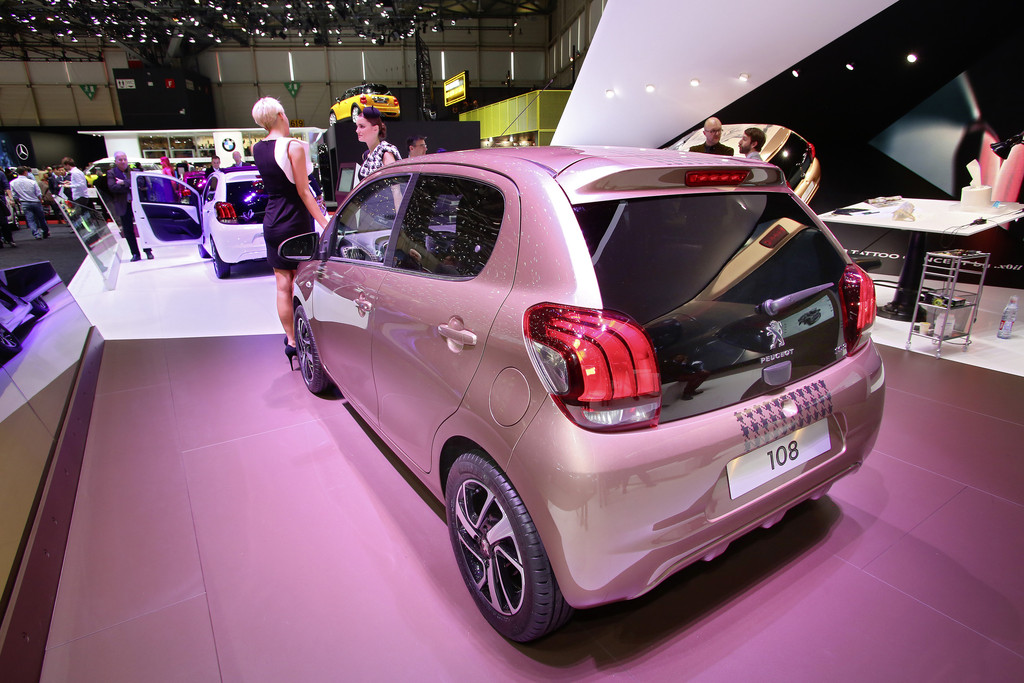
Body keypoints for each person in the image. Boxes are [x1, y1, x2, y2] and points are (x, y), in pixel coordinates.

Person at [250, 96, 330, 367]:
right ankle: (313, 336)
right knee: (303, 282)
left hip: (272, 221)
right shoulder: (294, 147)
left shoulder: (257, 148)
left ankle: (292, 341)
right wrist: (325, 223)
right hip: (295, 222)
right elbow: (304, 192)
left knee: (282, 283)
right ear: (281, 115)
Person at [107, 150, 152, 262]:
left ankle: (148, 251)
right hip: (123, 204)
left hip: (137, 204)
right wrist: (130, 184)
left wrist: (123, 182)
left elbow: (140, 182)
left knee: (143, 227)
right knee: (128, 230)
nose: (123, 162)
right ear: (116, 161)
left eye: (125, 159)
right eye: (120, 160)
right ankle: (135, 253)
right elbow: (113, 187)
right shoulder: (111, 173)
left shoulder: (134, 171)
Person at [356, 106, 401, 182]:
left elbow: (396, 186)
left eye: (362, 126)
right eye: (357, 126)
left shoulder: (386, 154)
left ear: (375, 129)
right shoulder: (366, 155)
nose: (357, 130)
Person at [11, 166, 48, 239]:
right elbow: (38, 193)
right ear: (25, 172)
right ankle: (45, 231)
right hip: (36, 202)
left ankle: (36, 234)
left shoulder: (12, 183)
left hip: (24, 202)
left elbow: (14, 195)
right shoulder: (32, 182)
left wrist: (19, 200)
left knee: (30, 220)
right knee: (41, 218)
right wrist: (41, 200)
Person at [0, 168, 14, 247]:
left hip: (0, 201)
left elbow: (6, 187)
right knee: (3, 221)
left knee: (3, 222)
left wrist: (11, 198)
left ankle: (9, 239)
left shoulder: (0, 174)